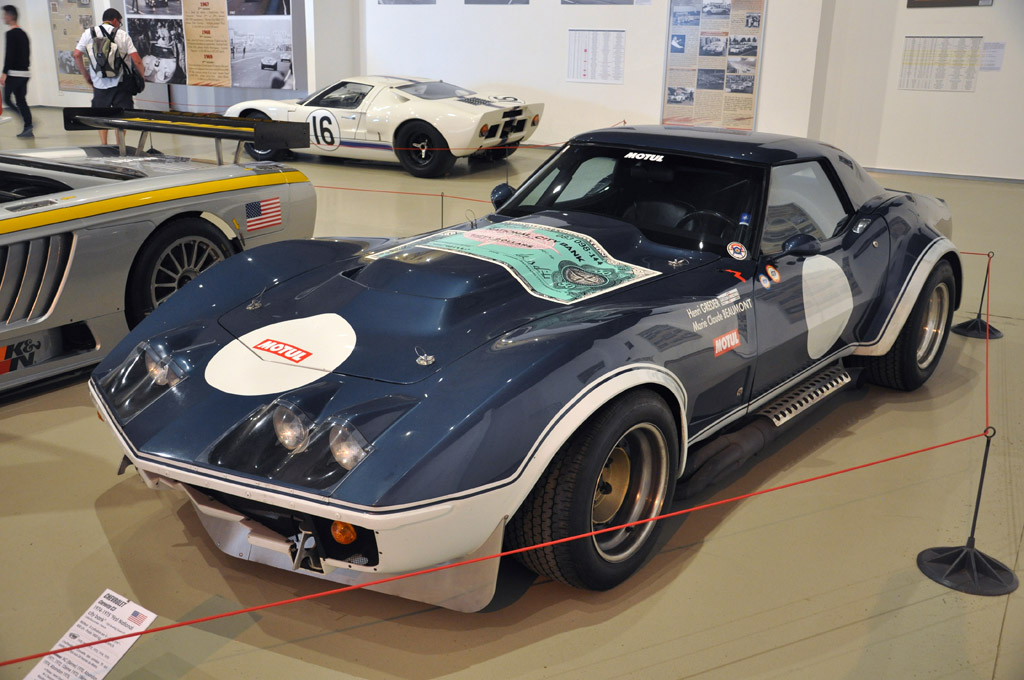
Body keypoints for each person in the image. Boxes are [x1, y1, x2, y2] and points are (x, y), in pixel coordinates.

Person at [72, 8, 145, 144]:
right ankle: (120, 145)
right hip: (121, 83)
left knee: (101, 116)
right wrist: (141, 78)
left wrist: (86, 75)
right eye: (120, 23)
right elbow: (137, 60)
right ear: (115, 20)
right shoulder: (122, 35)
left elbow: (76, 55)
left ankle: (104, 144)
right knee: (121, 116)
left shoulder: (89, 33)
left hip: (99, 83)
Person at [1, 4, 32, 138]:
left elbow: (9, 55)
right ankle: (28, 127)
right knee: (21, 101)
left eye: (5, 15)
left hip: (14, 73)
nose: (3, 17)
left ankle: (27, 121)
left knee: (7, 99)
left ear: (11, 16)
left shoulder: (10, 34)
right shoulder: (24, 34)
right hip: (25, 73)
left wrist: (4, 73)